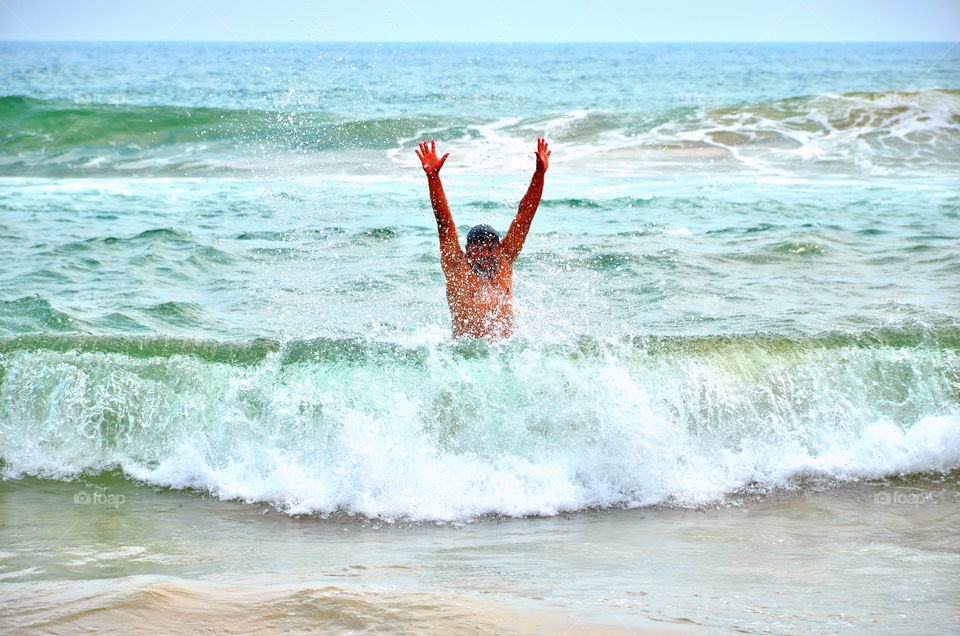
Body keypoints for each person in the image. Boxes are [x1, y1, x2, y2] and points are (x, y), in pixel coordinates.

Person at [415, 138, 550, 339]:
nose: (484, 255)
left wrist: (540, 174)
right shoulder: (456, 266)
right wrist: (433, 178)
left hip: (503, 358)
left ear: (498, 248)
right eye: (478, 249)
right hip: (466, 358)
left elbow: (525, 217)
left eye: (490, 249)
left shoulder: (505, 258)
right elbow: (444, 222)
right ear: (467, 250)